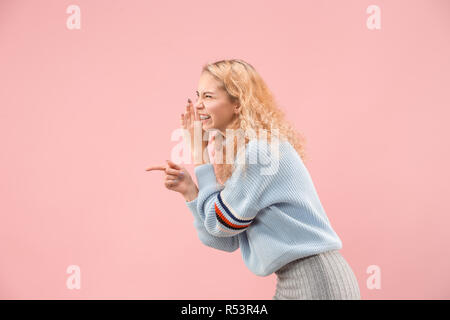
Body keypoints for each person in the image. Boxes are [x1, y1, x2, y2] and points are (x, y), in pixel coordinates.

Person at [146, 59, 361, 300]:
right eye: (197, 96)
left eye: (207, 97)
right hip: (298, 280)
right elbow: (225, 238)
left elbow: (220, 224)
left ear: (237, 103)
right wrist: (190, 191)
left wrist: (199, 154)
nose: (197, 105)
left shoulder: (260, 152)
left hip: (316, 281)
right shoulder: (247, 152)